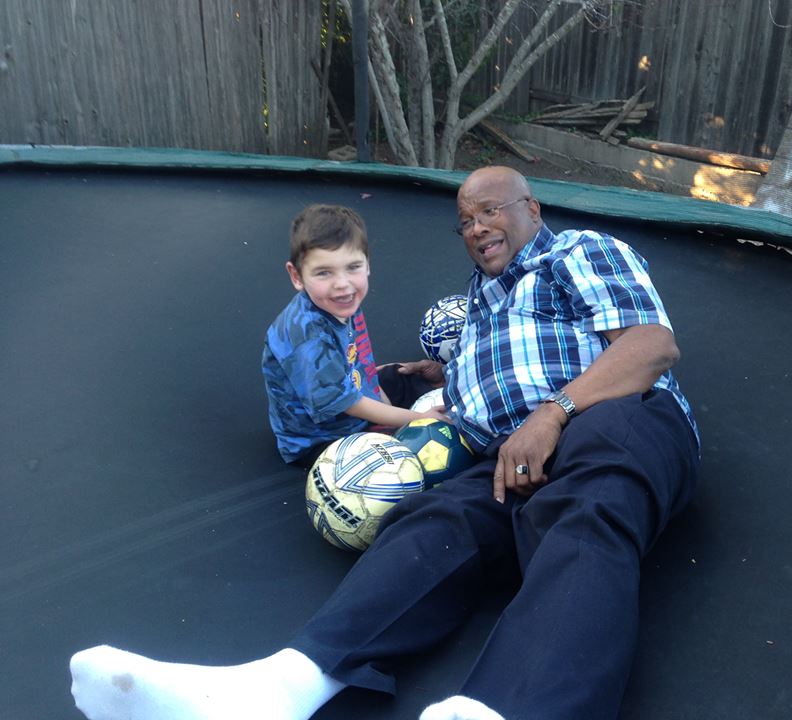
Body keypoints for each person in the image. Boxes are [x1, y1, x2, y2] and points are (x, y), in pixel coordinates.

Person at [69, 167, 700, 720]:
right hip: (507, 451)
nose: (475, 227)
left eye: (489, 210)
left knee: (588, 508)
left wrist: (554, 412)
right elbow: (489, 380)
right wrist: (444, 377)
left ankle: (514, 707)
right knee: (433, 523)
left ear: (531, 209)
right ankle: (276, 689)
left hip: (615, 417)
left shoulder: (578, 252)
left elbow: (650, 346)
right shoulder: (481, 302)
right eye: (464, 221)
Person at [261, 203, 446, 467]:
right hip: (320, 438)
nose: (342, 283)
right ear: (297, 276)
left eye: (353, 267)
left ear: (367, 264)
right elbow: (350, 404)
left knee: (401, 376)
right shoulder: (307, 336)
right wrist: (417, 419)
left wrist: (382, 397)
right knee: (406, 464)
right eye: (324, 272)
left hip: (350, 395)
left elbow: (361, 359)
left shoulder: (343, 302)